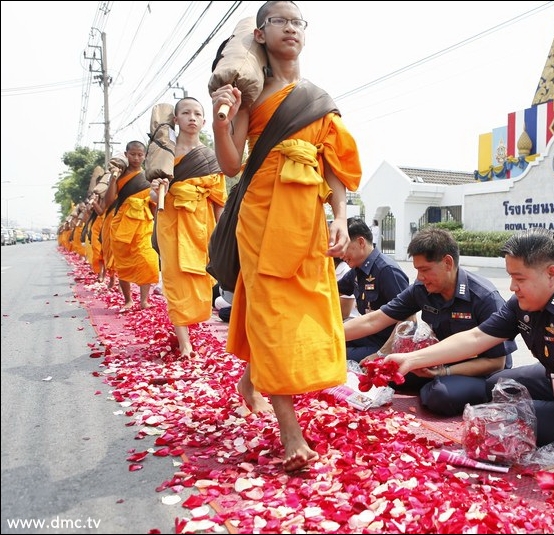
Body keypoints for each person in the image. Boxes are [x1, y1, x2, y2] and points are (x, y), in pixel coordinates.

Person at [210, 0, 362, 471]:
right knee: (274, 314)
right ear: (260, 33)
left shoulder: (318, 98)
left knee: (302, 313)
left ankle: (252, 377)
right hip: (261, 217)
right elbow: (230, 165)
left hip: (307, 221)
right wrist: (221, 120)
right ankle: (291, 434)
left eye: (298, 22)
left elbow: (333, 165)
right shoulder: (250, 95)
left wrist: (341, 216)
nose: (291, 29)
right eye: (280, 21)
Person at [383, 227, 554, 455]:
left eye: (519, 278)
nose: (512, 286)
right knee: (496, 385)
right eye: (511, 277)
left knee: (505, 422)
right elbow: (477, 337)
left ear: (552, 273)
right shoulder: (524, 302)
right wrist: (411, 359)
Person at [343, 226, 517, 416]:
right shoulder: (422, 289)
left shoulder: (484, 297)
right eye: (417, 270)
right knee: (389, 373)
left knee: (440, 395)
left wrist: (443, 372)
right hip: (439, 360)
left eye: (425, 270)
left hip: (480, 372)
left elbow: (496, 363)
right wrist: (330, 337)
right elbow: (375, 319)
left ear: (448, 263)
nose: (420, 277)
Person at [149, 97, 227, 358]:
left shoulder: (211, 158)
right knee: (174, 280)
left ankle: (192, 331)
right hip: (171, 225)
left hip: (201, 227)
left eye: (197, 113)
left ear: (204, 121)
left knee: (200, 281)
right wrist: (154, 191)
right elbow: (154, 195)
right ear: (176, 119)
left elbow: (219, 201)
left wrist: (221, 236)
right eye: (185, 113)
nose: (192, 117)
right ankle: (185, 344)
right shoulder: (165, 155)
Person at [338, 217, 410, 362]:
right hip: (368, 335)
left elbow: (408, 319)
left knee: (336, 355)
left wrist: (382, 354)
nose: (340, 255)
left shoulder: (386, 271)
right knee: (326, 343)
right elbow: (334, 290)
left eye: (344, 247)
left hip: (386, 344)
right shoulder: (357, 270)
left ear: (361, 242)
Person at [104, 141, 160, 311]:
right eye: (132, 154)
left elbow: (153, 203)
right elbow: (109, 201)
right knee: (124, 263)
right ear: (126, 154)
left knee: (147, 259)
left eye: (140, 155)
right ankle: (128, 300)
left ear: (145, 156)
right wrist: (113, 177)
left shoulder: (149, 176)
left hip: (143, 224)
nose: (136, 158)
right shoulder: (119, 175)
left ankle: (144, 301)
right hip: (122, 224)